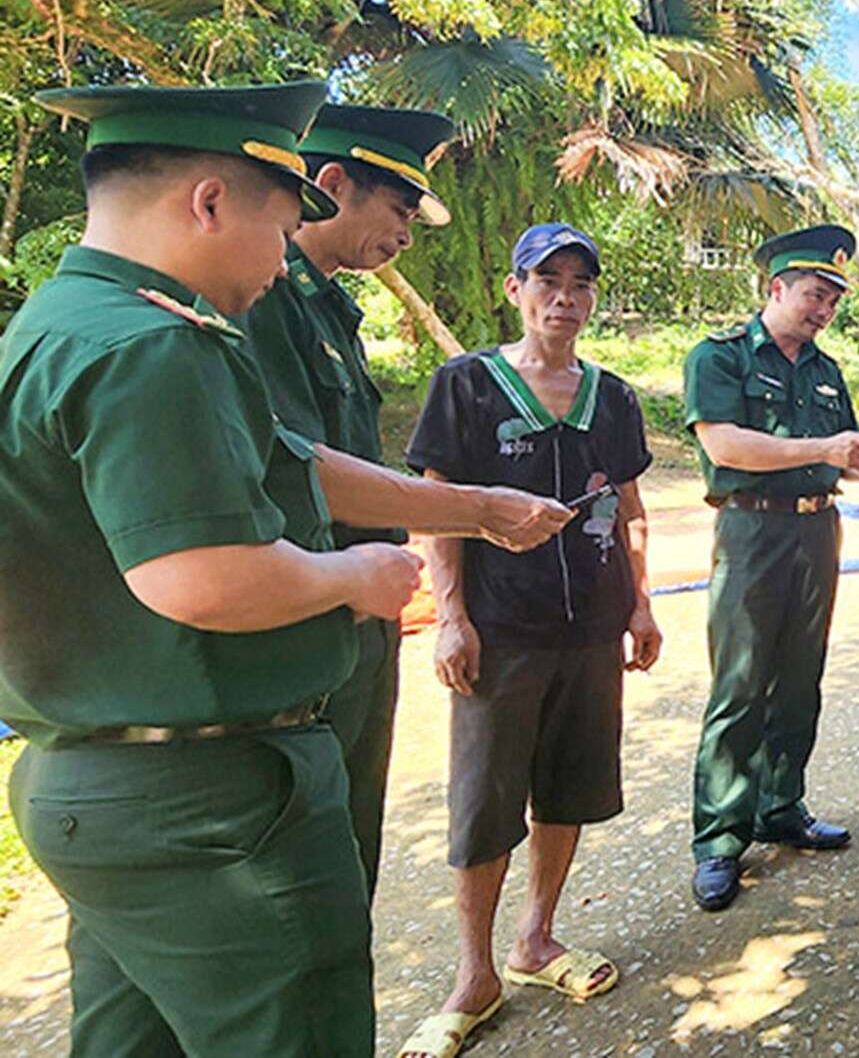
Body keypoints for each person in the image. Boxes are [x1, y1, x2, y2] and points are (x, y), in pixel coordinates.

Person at [0, 82, 566, 1058]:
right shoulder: (153, 344)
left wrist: (474, 510)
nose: (280, 252)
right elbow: (198, 575)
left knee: (131, 1036)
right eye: (278, 220)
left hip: (106, 775)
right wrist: (358, 579)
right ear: (210, 200)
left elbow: (282, 456)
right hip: (207, 791)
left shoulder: (61, 323)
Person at [398, 222, 659, 1057]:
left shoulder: (612, 396)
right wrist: (451, 614)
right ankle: (473, 974)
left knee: (570, 787)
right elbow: (435, 505)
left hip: (590, 629)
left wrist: (642, 604)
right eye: (548, 279)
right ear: (515, 289)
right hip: (500, 632)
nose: (565, 297)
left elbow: (627, 505)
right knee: (484, 804)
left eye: (581, 283)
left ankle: (536, 939)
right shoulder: (467, 385)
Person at [236, 102, 456, 899]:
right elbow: (295, 464)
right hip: (312, 612)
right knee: (305, 860)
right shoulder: (264, 302)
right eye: (398, 211)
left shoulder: (332, 307)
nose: (404, 235)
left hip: (365, 609)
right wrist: (474, 509)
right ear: (329, 184)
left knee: (352, 832)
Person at [681, 224, 859, 911]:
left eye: (833, 300)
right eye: (813, 294)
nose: (823, 309)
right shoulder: (719, 357)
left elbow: (840, 452)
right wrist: (826, 445)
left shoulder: (827, 372)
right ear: (775, 288)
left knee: (801, 677)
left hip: (816, 529)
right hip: (751, 528)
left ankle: (782, 806)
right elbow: (726, 445)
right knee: (741, 682)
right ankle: (719, 838)